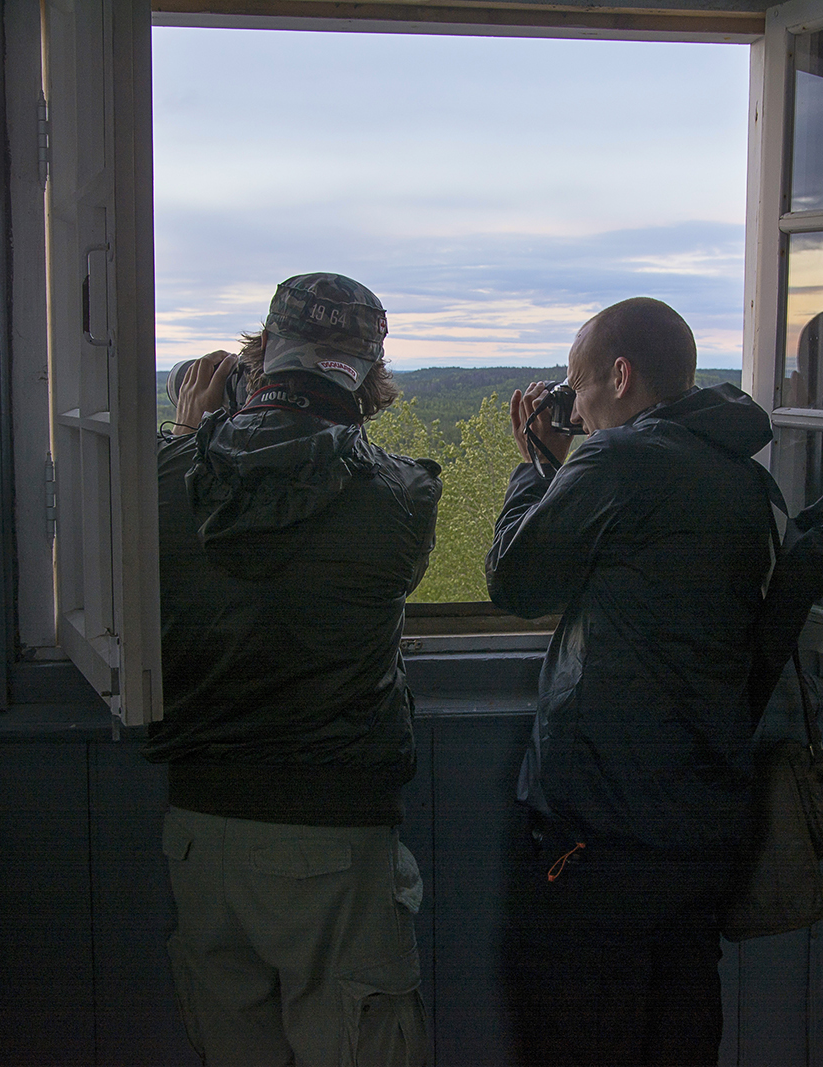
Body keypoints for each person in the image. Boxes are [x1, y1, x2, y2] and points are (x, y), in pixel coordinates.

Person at [146, 273, 441, 1066]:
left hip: (201, 833)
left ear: (257, 358)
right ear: (371, 378)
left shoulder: (158, 479)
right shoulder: (405, 495)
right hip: (337, 833)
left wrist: (190, 433)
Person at [486, 297, 777, 1065]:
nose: (576, 410)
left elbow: (517, 583)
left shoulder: (618, 462)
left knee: (582, 1034)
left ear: (620, 375)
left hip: (605, 822)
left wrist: (533, 466)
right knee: (679, 1029)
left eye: (581, 390)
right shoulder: (738, 473)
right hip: (701, 817)